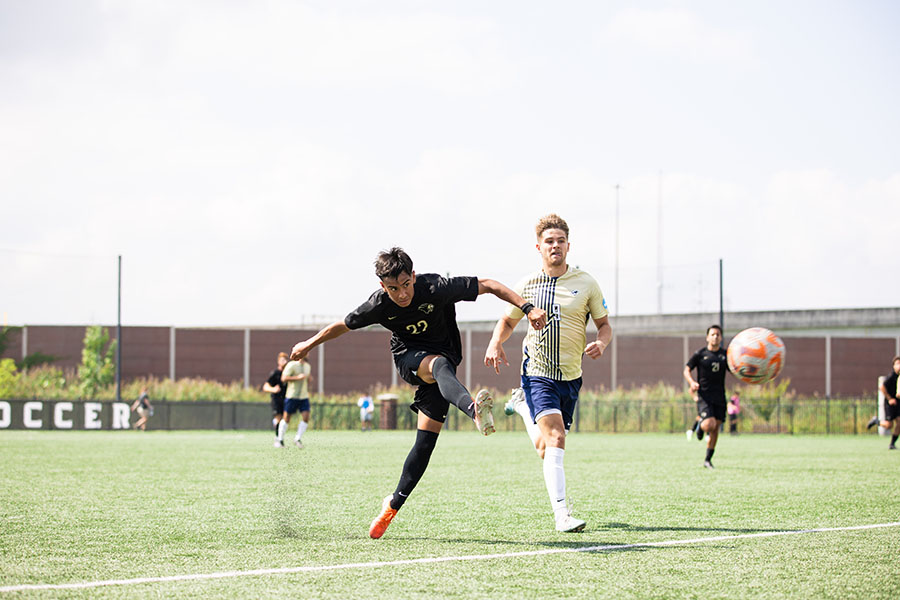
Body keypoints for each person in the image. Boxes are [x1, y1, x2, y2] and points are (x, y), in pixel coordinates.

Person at [290, 247, 546, 539]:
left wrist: (527, 308)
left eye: (406, 285)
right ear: (382, 286)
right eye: (392, 289)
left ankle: (392, 505)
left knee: (425, 444)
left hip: (445, 364)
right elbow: (343, 325)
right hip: (410, 358)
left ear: (413, 276)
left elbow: (488, 285)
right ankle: (474, 410)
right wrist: (308, 344)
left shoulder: (436, 287)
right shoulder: (379, 304)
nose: (401, 294)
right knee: (437, 364)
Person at [485, 214, 612, 533]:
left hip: (571, 376)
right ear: (539, 247)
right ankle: (562, 515)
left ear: (569, 246)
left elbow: (605, 326)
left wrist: (602, 343)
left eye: (560, 241)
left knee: (546, 447)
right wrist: (494, 344)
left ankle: (523, 406)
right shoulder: (526, 285)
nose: (555, 246)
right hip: (537, 372)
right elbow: (508, 321)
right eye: (549, 241)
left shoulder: (587, 283)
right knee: (557, 437)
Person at [683, 325, 730, 468]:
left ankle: (707, 460)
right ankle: (699, 427)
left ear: (721, 338)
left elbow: (734, 369)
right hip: (705, 396)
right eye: (713, 334)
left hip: (720, 396)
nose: (715, 337)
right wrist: (692, 382)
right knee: (709, 424)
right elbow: (686, 370)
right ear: (707, 337)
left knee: (716, 429)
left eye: (718, 335)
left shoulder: (725, 355)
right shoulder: (700, 354)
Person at [277, 356, 312, 448]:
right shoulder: (291, 365)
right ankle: (280, 439)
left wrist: (308, 379)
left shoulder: (308, 366)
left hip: (303, 396)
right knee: (286, 418)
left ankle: (297, 438)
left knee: (306, 417)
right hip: (292, 396)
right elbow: (283, 378)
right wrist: (297, 378)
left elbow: (307, 378)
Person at [867, 356, 900, 449]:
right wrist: (889, 399)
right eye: (897, 364)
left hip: (898, 403)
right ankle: (876, 421)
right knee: (889, 425)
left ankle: (892, 444)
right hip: (890, 403)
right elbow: (882, 387)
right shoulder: (892, 376)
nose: (899, 366)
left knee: (899, 423)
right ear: (893, 366)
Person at [262, 352, 289, 447]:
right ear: (278, 361)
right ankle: (277, 439)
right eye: (282, 360)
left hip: (285, 399)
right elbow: (265, 386)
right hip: (277, 399)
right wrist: (273, 389)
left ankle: (279, 437)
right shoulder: (275, 373)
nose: (284, 362)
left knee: (284, 419)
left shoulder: (287, 374)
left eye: (285, 360)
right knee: (278, 418)